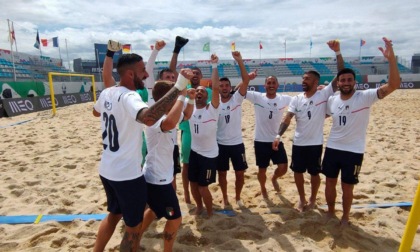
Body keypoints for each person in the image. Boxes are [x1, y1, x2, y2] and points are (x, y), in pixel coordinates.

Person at [92, 52, 190, 252]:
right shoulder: (130, 96)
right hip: (127, 174)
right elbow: (149, 118)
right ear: (129, 74)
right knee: (133, 228)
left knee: (113, 215)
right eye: (142, 70)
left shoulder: (108, 93)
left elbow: (96, 111)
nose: (146, 74)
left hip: (107, 169)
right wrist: (179, 88)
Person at [321, 37, 400, 226]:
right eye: (343, 80)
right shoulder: (332, 100)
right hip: (332, 148)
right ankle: (331, 212)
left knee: (347, 186)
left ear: (354, 82)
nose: (346, 82)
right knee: (330, 183)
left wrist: (391, 60)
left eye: (349, 80)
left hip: (354, 151)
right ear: (338, 83)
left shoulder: (365, 97)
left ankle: (346, 216)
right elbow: (319, 117)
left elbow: (393, 85)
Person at [273, 40, 344, 212]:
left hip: (315, 143)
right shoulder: (297, 98)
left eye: (307, 79)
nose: (304, 81)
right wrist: (278, 135)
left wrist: (337, 52)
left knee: (314, 174)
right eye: (303, 78)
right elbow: (288, 118)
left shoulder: (323, 94)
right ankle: (302, 199)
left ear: (316, 81)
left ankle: (312, 198)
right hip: (298, 143)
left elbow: (341, 74)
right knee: (297, 172)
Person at [139, 71, 195, 251]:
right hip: (158, 180)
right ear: (167, 99)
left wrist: (190, 99)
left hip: (158, 176)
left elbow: (186, 115)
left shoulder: (167, 114)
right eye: (174, 96)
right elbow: (171, 123)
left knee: (154, 210)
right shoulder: (156, 119)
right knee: (175, 218)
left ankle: (135, 238)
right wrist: (181, 94)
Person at [169, 36, 212, 203]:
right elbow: (172, 70)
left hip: (205, 135)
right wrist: (177, 49)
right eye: (192, 73)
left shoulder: (206, 93)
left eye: (198, 73)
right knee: (186, 165)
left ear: (201, 76)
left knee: (203, 165)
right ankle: (186, 194)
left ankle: (201, 194)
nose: (195, 75)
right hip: (187, 132)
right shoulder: (184, 89)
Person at [245, 76, 292, 199]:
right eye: (268, 83)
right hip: (260, 140)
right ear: (265, 85)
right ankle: (263, 188)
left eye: (273, 83)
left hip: (276, 139)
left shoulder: (284, 99)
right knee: (262, 169)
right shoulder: (257, 97)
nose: (271, 85)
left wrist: (319, 90)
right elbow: (241, 90)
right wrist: (247, 78)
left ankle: (274, 178)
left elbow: (302, 100)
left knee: (283, 168)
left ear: (277, 85)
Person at [216, 51, 250, 208]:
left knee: (240, 173)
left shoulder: (237, 98)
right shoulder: (215, 103)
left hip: (237, 143)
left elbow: (246, 80)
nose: (224, 88)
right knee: (221, 173)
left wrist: (240, 61)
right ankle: (224, 197)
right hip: (220, 144)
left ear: (230, 87)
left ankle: (237, 197)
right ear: (218, 87)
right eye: (221, 86)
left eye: (226, 85)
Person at [188, 53, 220, 217]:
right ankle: (199, 207)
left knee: (202, 186)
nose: (199, 92)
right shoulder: (190, 108)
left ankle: (209, 212)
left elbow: (215, 88)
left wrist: (214, 65)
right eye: (196, 91)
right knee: (192, 183)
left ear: (207, 96)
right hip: (194, 152)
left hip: (208, 155)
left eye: (202, 91)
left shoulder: (212, 109)